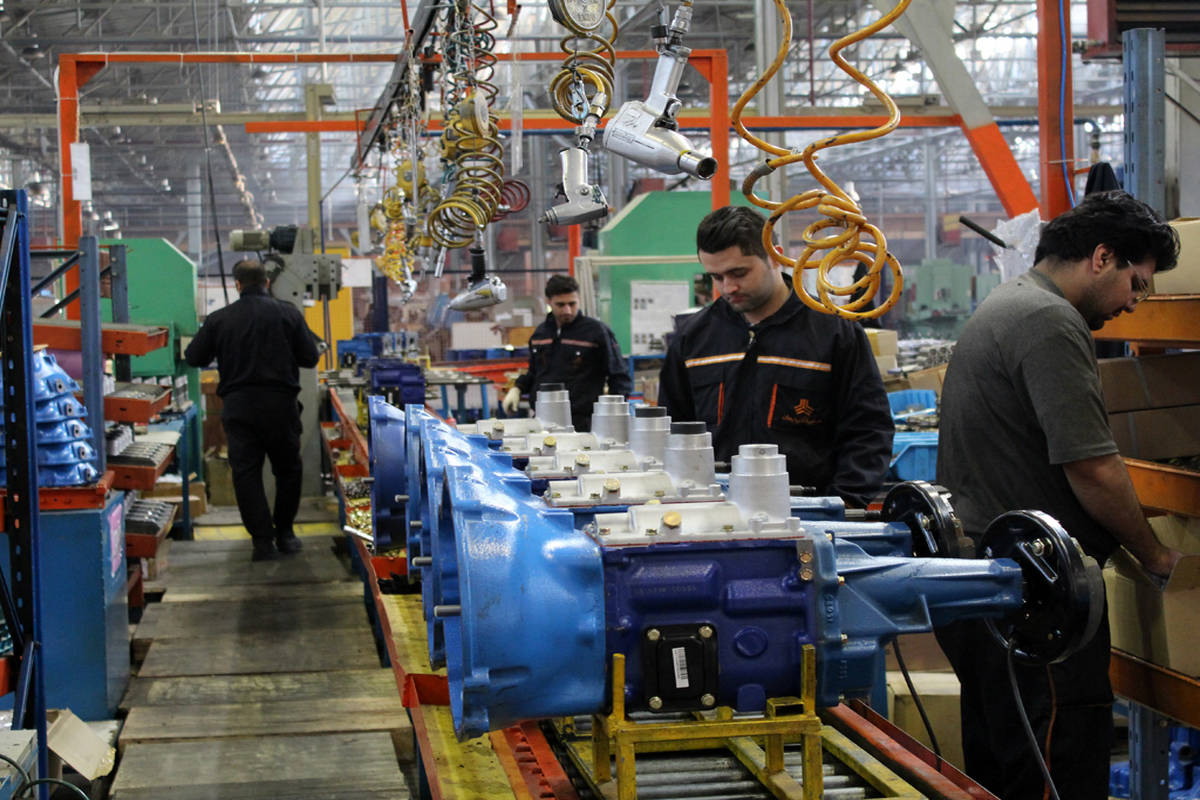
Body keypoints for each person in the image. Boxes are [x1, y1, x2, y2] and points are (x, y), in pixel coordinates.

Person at [934, 190, 1183, 800]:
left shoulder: (1008, 302)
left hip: (988, 583)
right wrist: (1156, 557)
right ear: (1102, 257)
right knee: (1055, 768)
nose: (1134, 302)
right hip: (1035, 597)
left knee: (1002, 766)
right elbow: (1092, 466)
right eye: (1137, 283)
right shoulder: (1048, 321)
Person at [657, 205, 893, 506]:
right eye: (716, 277)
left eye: (739, 273)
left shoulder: (834, 334)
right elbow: (672, 433)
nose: (728, 287)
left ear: (775, 257)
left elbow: (869, 429)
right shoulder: (693, 340)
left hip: (809, 515)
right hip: (715, 514)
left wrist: (841, 505)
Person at [185, 260, 321, 561]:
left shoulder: (220, 319)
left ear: (237, 284)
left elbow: (194, 357)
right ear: (267, 282)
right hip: (280, 406)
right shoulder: (288, 313)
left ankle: (262, 542)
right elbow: (310, 358)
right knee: (288, 470)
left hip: (240, 408)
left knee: (246, 474)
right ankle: (285, 534)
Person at [503, 275, 631, 431]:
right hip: (543, 421)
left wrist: (613, 416)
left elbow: (620, 377)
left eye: (572, 304)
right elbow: (535, 372)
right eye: (560, 305)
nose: (567, 310)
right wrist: (517, 388)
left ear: (579, 300)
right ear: (548, 301)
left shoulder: (596, 333)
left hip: (583, 423)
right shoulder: (540, 334)